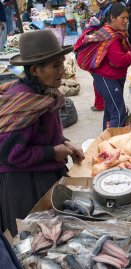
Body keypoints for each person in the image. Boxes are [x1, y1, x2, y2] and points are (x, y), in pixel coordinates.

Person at [0, 30, 85, 236]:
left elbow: (45, 134)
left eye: (62, 63)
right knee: (34, 241)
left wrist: (65, 143)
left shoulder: (44, 95)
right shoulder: (23, 104)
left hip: (46, 176)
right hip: (24, 187)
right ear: (36, 70)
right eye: (56, 65)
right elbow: (9, 154)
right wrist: (51, 153)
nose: (62, 71)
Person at [76, 3, 131, 130]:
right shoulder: (110, 36)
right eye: (122, 18)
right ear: (112, 18)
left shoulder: (116, 33)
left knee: (110, 112)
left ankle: (106, 138)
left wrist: (127, 54)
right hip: (107, 79)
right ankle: (114, 144)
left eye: (127, 18)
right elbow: (119, 60)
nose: (125, 21)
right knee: (119, 113)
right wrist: (130, 55)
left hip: (113, 79)